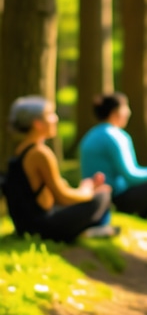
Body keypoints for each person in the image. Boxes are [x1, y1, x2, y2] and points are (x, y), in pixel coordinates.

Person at [3, 96, 116, 242]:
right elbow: (62, 197)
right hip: (41, 228)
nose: (55, 118)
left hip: (26, 225)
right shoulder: (40, 153)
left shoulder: (22, 150)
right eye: (50, 114)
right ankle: (93, 229)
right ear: (37, 123)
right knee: (102, 196)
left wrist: (85, 187)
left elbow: (57, 188)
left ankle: (93, 229)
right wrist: (90, 192)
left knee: (97, 196)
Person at [79, 92, 147, 220]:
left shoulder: (90, 134)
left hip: (94, 195)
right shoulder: (116, 136)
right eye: (126, 107)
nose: (129, 112)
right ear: (116, 112)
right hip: (115, 199)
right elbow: (131, 176)